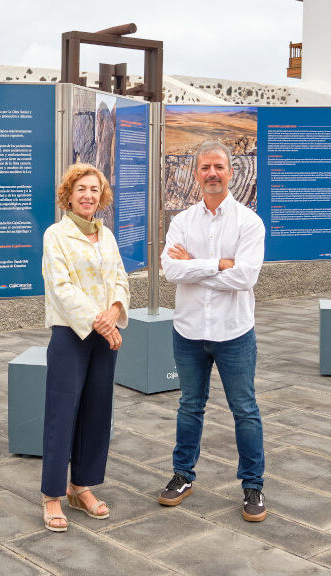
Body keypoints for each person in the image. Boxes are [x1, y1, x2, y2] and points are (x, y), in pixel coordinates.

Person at [159, 140, 267, 522]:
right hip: (188, 332)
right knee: (190, 406)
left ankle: (253, 485)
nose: (212, 174)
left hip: (234, 332)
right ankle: (182, 475)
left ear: (231, 172)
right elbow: (170, 270)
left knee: (245, 410)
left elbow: (245, 277)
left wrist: (198, 266)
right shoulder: (182, 222)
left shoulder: (249, 223)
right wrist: (219, 264)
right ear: (195, 173)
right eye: (205, 167)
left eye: (219, 167)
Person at [40, 163, 130, 532]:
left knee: (96, 413)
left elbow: (120, 277)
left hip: (104, 336)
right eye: (81, 190)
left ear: (101, 195)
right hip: (70, 335)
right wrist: (100, 320)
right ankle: (52, 496)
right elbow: (60, 287)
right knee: (62, 415)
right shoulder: (55, 235)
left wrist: (114, 311)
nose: (88, 196)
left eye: (94, 189)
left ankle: (81, 487)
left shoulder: (105, 235)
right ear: (68, 195)